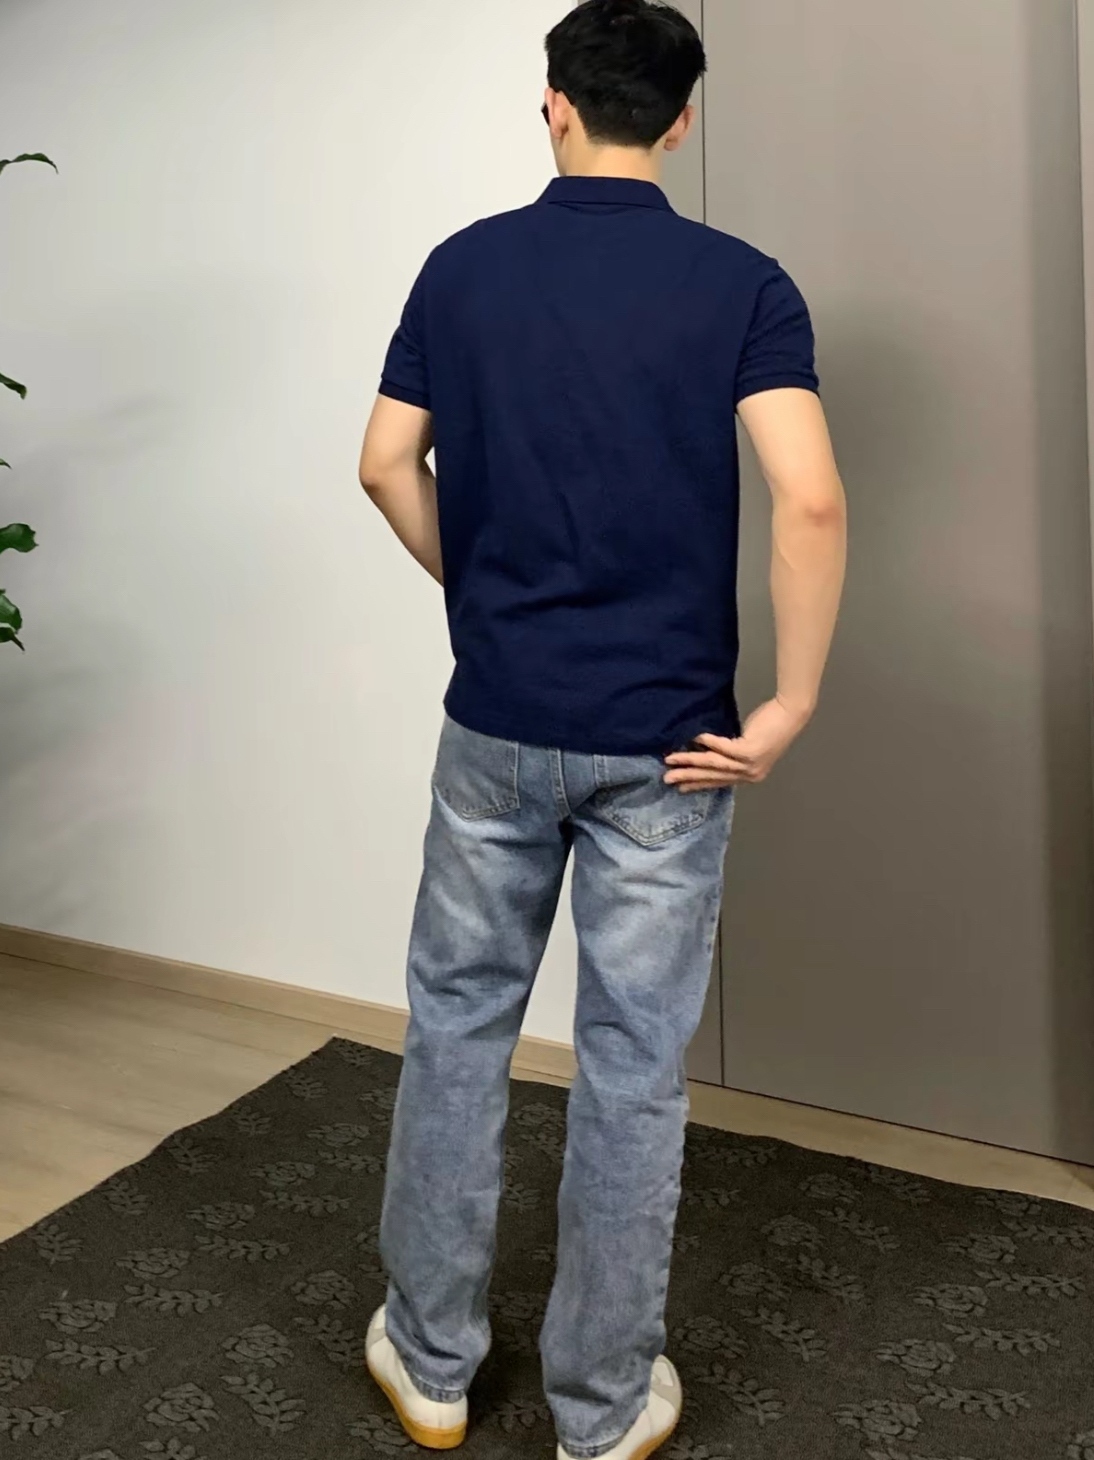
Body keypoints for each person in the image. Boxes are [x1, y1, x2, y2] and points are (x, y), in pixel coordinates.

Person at [357, 1, 847, 1455]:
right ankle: (602, 1408)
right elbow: (810, 497)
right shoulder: (744, 284)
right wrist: (791, 703)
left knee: (458, 1031)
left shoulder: (462, 266)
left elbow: (384, 465)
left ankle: (431, 1367)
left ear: (552, 103)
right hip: (672, 746)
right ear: (681, 121)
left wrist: (479, 585)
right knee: (632, 1068)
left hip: (499, 721)